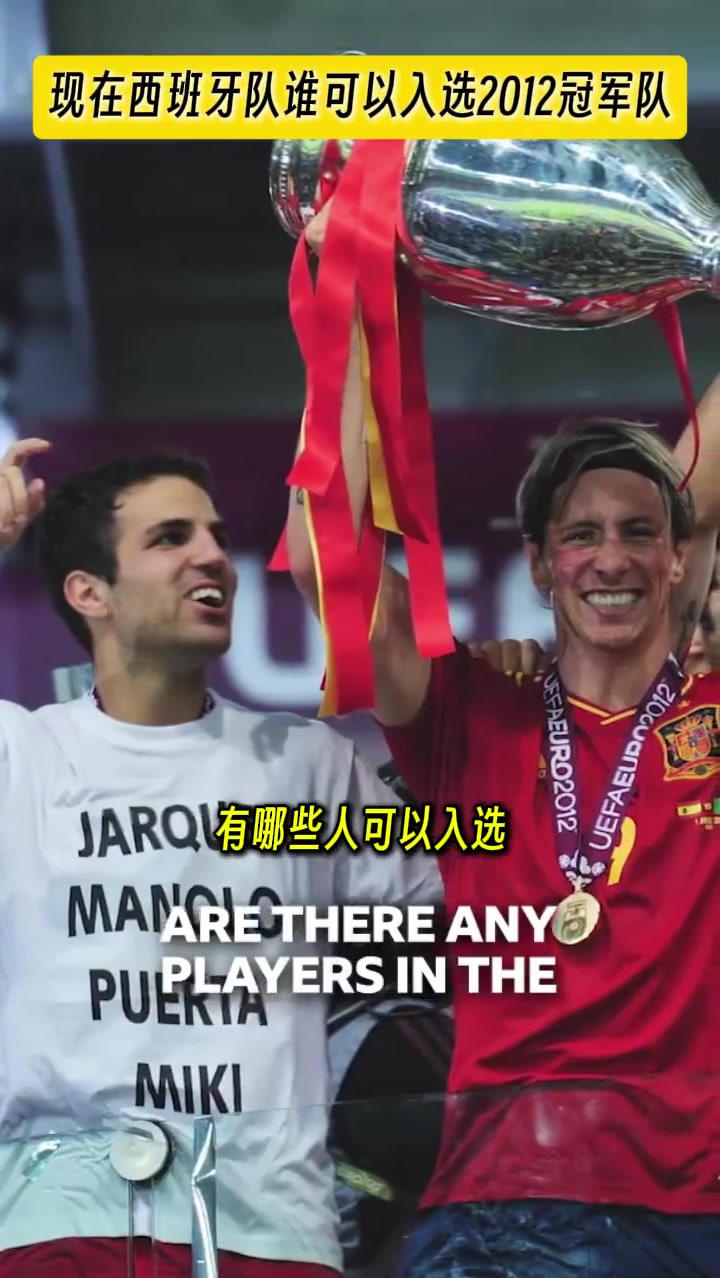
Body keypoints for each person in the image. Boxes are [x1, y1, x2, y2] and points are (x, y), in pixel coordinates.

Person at [287, 207, 720, 1276]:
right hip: (510, 1209)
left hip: (701, 1208)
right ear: (537, 563)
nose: (610, 559)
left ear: (678, 559)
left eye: (640, 533)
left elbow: (700, 488)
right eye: (580, 535)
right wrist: (350, 297)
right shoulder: (471, 710)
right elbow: (326, 560)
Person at [0, 440, 449, 1278]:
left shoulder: (306, 763)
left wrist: (514, 702)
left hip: (270, 1232)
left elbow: (479, 890)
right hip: (62, 1226)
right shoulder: (19, 757)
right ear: (89, 592)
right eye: (170, 538)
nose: (213, 555)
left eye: (215, 535)